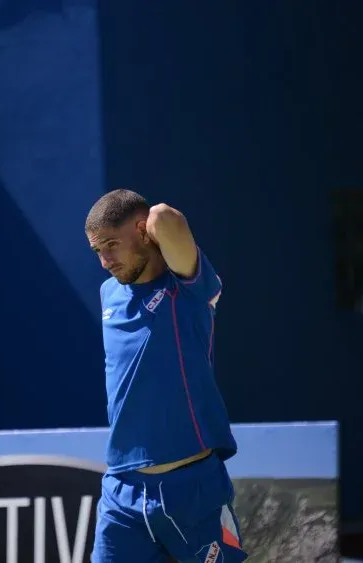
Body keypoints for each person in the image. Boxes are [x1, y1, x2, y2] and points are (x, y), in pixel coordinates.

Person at [85, 189, 246, 563]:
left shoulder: (188, 290)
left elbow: (164, 217)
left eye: (112, 245)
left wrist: (150, 224)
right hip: (122, 490)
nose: (105, 261)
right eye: (97, 251)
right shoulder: (109, 293)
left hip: (193, 489)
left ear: (143, 231)